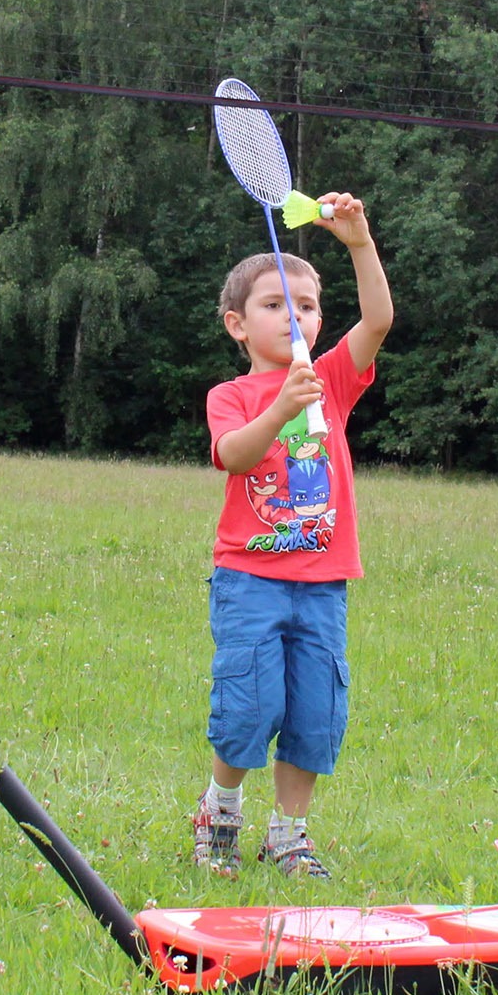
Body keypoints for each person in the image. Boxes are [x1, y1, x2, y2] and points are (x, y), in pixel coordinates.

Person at [192, 193, 393, 880]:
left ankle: (289, 834)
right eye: (275, 304)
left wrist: (359, 244)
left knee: (315, 712)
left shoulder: (332, 381)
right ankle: (220, 810)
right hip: (249, 578)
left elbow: (381, 319)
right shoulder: (233, 395)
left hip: (323, 584)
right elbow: (235, 455)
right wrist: (281, 406)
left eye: (305, 305)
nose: (294, 315)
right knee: (250, 703)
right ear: (237, 325)